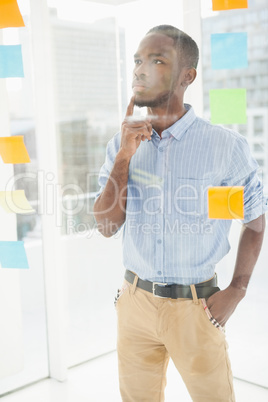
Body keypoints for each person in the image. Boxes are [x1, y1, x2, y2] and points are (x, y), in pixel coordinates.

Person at [93, 25, 267, 402]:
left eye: (157, 60)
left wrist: (237, 289)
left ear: (187, 76)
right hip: (135, 304)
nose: (140, 70)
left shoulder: (225, 147)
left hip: (197, 307)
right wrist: (124, 156)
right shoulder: (120, 144)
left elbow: (255, 221)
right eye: (138, 60)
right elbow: (106, 226)